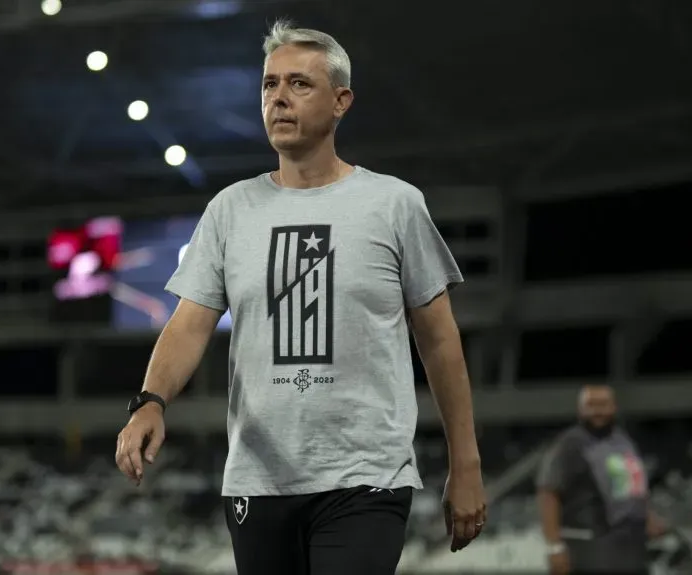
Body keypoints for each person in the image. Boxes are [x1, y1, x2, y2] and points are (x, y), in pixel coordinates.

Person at [116, 19, 486, 575]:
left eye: (299, 84)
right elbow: (189, 324)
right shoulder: (229, 210)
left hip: (366, 476)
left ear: (341, 101)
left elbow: (438, 341)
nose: (279, 98)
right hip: (257, 480)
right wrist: (150, 401)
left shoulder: (394, 205)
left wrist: (467, 462)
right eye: (269, 85)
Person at [536, 384, 668, 574]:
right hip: (590, 548)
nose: (598, 411)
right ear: (580, 409)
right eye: (591, 405)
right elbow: (547, 492)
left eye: (604, 404)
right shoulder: (569, 445)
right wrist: (554, 547)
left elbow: (633, 487)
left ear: (614, 407)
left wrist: (648, 518)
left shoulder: (623, 441)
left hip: (631, 549)